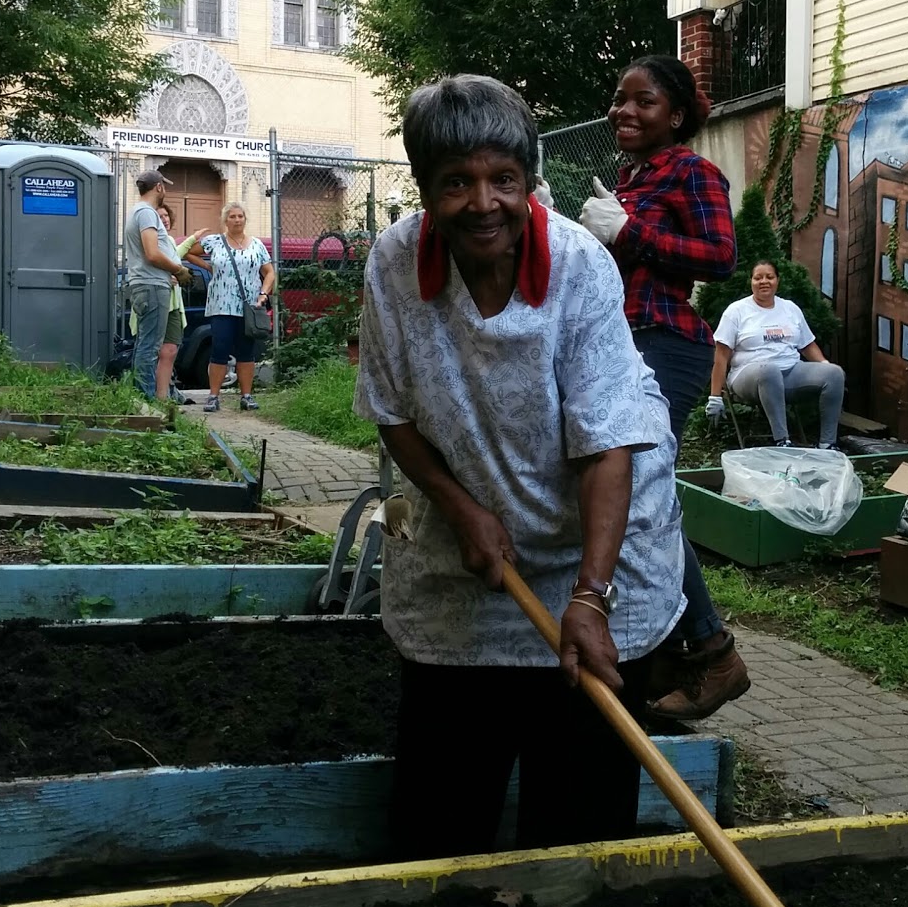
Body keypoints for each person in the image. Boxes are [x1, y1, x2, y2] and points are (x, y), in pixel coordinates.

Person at [353, 74, 685, 860]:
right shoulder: (397, 265)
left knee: (577, 824)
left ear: (530, 181)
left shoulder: (580, 267)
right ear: (427, 189)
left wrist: (590, 596)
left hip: (600, 545)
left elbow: (608, 442)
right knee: (436, 817)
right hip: (472, 554)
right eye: (456, 182)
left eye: (503, 178)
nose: (483, 202)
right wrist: (461, 510)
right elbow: (392, 411)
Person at [579, 53, 748, 724]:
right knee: (620, 496)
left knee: (640, 499)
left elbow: (722, 256)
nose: (624, 111)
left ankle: (714, 652)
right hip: (624, 345)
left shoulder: (693, 171)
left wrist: (632, 231)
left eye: (643, 101)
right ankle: (680, 648)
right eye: (620, 99)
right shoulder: (630, 177)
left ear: (675, 114)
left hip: (669, 346)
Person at [709, 259, 846, 448]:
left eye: (769, 277)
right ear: (751, 282)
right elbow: (721, 355)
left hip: (790, 371)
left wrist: (824, 365)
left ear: (777, 281)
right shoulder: (736, 311)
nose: (764, 281)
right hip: (747, 376)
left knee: (834, 373)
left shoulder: (790, 308)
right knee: (770, 370)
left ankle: (827, 445)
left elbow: (807, 344)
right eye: (758, 278)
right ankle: (782, 441)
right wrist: (715, 396)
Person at [122, 169, 192, 402]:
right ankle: (146, 400)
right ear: (159, 187)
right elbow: (152, 253)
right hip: (152, 285)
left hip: (147, 285)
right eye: (165, 186)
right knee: (150, 348)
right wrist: (178, 269)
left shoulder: (138, 211)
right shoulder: (147, 213)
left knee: (146, 344)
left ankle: (141, 398)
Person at [198, 203, 274, 413]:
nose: (237, 220)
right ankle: (213, 396)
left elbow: (269, 272)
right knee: (219, 350)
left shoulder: (256, 245)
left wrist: (263, 294)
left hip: (248, 307)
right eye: (232, 216)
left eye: (240, 216)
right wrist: (207, 266)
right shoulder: (214, 242)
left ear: (245, 219)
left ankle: (246, 396)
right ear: (225, 220)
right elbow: (187, 252)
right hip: (221, 306)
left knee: (246, 352)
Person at [128, 204, 207, 402]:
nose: (163, 219)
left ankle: (163, 398)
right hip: (154, 293)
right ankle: (145, 396)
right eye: (159, 216)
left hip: (173, 302)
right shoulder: (149, 235)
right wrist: (172, 273)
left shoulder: (168, 240)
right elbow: (155, 258)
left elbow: (176, 255)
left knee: (170, 350)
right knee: (151, 347)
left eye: (166, 216)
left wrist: (193, 238)